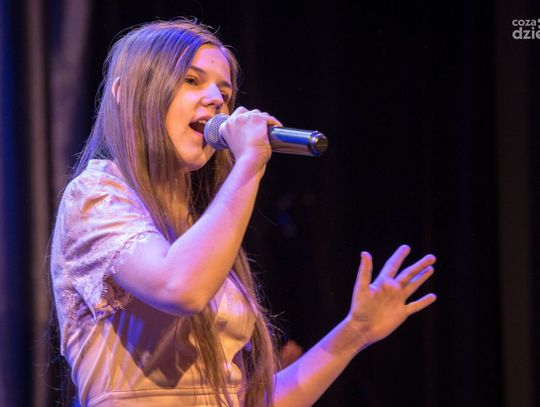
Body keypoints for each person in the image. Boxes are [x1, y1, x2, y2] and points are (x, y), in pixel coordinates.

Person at [50, 18, 437, 407]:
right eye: (191, 80)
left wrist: (354, 332)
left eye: (224, 91)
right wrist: (250, 161)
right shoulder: (95, 196)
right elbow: (179, 288)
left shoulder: (197, 227)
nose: (216, 99)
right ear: (125, 93)